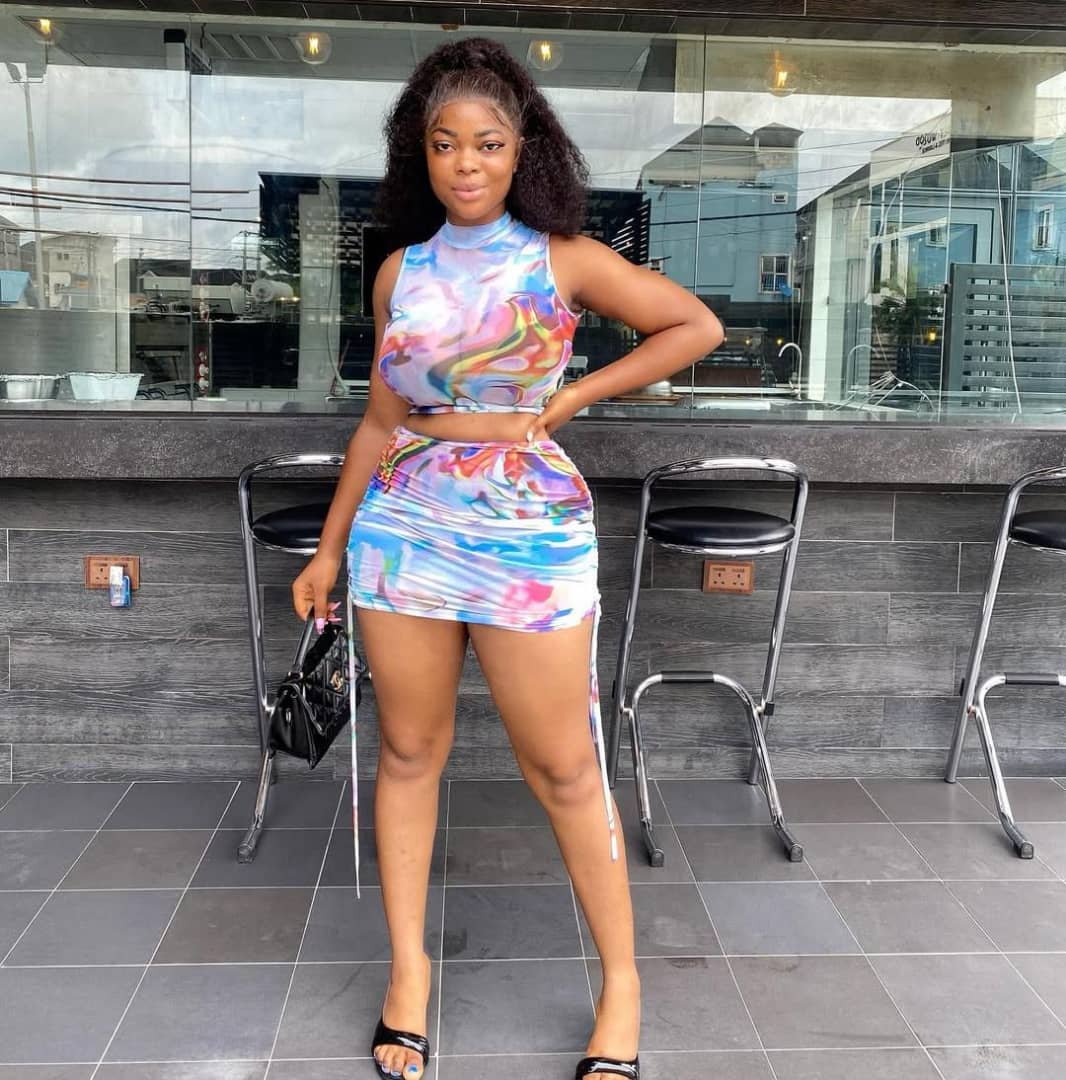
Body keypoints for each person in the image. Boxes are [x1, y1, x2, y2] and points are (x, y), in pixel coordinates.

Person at [292, 36, 723, 1080]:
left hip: (528, 531)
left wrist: (573, 397)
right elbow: (379, 420)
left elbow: (692, 325)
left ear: (522, 148)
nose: (466, 162)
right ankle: (408, 973)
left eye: (487, 142)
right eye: (445, 143)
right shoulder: (401, 271)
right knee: (408, 753)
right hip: (406, 529)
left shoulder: (561, 258)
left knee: (565, 765)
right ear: (421, 152)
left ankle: (621, 983)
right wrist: (329, 548)